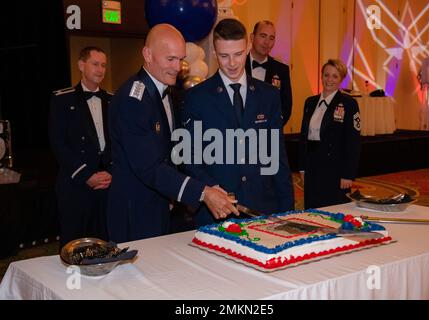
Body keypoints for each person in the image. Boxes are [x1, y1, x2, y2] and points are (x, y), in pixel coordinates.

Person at [107, 24, 238, 243]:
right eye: (170, 59)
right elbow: (149, 168)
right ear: (147, 54)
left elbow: (176, 153)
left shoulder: (167, 93)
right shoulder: (133, 100)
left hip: (160, 206)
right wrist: (203, 192)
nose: (178, 67)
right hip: (135, 213)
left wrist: (208, 185)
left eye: (181, 59)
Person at [183, 18, 294, 227]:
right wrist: (211, 191)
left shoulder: (268, 96)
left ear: (248, 48)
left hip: (262, 207)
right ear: (215, 54)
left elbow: (278, 156)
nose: (232, 63)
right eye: (224, 56)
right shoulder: (197, 97)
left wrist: (287, 211)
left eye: (238, 54)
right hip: (217, 211)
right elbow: (190, 157)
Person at [49, 46, 112, 248]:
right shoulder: (62, 99)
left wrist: (111, 172)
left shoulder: (113, 100)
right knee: (73, 246)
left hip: (105, 184)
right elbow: (58, 144)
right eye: (95, 64)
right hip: (75, 183)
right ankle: (70, 280)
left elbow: (119, 142)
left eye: (103, 65)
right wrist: (87, 176)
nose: (100, 69)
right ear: (81, 65)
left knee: (102, 244)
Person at [298, 59, 361, 209]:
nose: (329, 80)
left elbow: (353, 141)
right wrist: (302, 167)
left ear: (341, 79)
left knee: (334, 210)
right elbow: (303, 137)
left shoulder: (348, 104)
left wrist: (348, 174)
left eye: (335, 76)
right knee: (313, 209)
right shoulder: (310, 102)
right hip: (312, 164)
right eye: (326, 75)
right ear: (321, 76)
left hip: (335, 168)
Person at [245, 20, 292, 126]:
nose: (267, 42)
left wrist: (271, 129)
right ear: (252, 37)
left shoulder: (281, 70)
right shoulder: (238, 65)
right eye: (263, 36)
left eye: (271, 38)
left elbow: (286, 107)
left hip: (270, 135)